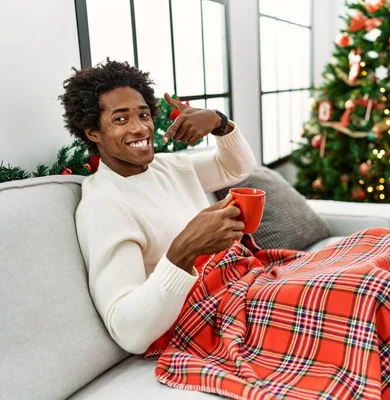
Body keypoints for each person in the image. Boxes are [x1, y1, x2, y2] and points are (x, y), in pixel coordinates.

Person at [60, 60, 257, 354]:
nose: (140, 128)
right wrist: (184, 250)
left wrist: (219, 122)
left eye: (143, 114)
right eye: (120, 119)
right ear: (92, 132)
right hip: (206, 320)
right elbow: (129, 332)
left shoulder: (168, 167)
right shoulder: (104, 206)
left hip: (243, 287)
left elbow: (237, 168)